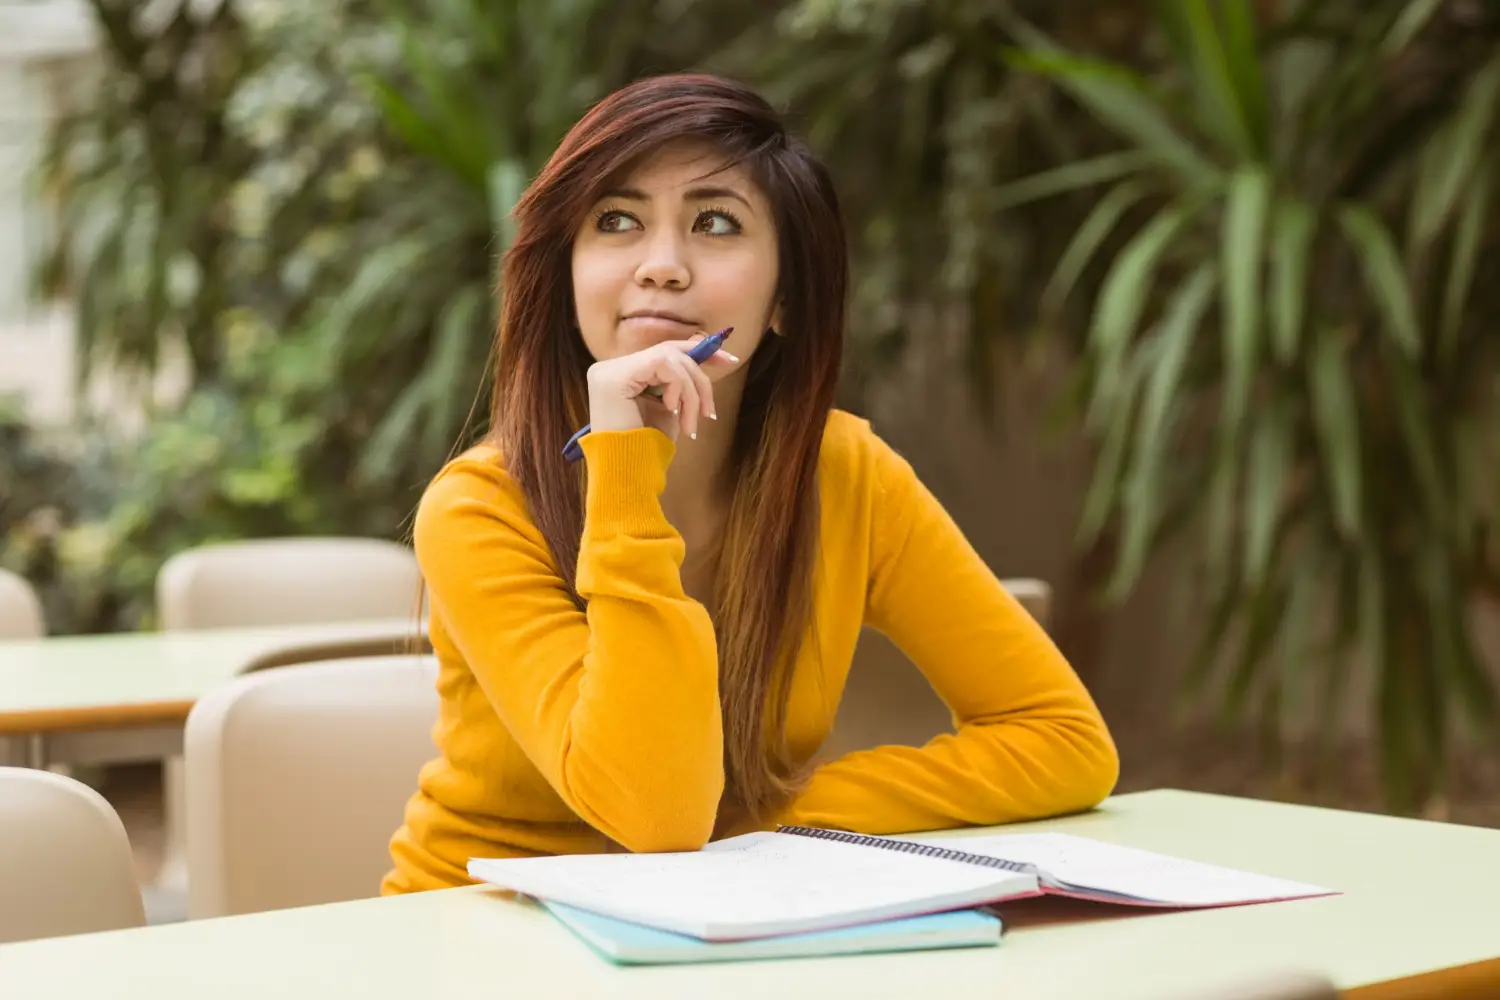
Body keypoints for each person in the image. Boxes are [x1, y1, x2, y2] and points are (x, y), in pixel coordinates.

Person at [381, 72, 1118, 894]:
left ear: (785, 302)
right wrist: (622, 467)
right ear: (566, 276)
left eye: (716, 223)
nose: (661, 266)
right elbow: (658, 816)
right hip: (483, 931)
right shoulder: (482, 505)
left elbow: (1060, 737)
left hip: (733, 922)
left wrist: (764, 823)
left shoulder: (845, 475)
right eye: (617, 221)